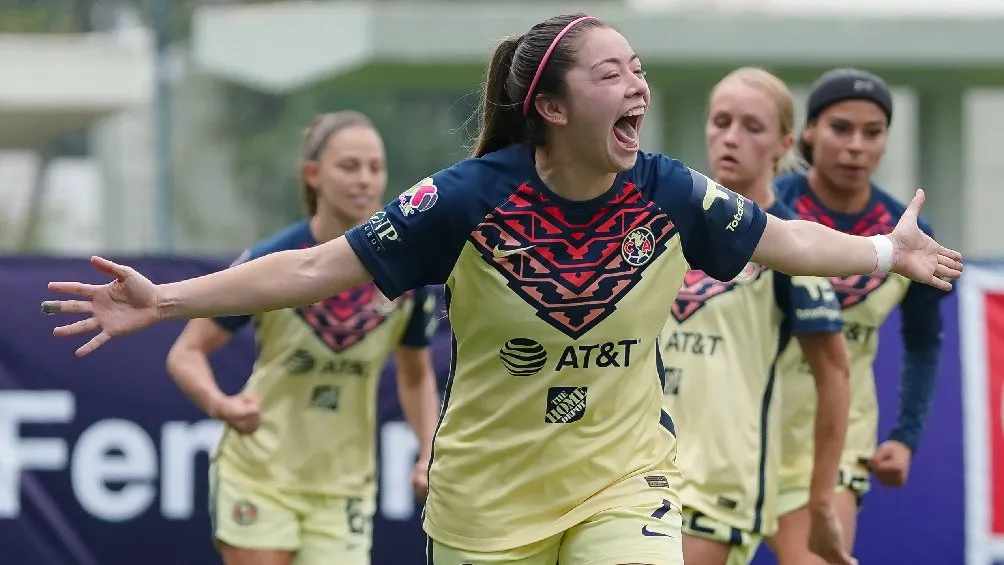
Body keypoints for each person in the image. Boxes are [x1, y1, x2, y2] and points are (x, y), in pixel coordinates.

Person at [42, 14, 961, 565]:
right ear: (552, 109)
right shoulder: (466, 198)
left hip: (625, 478)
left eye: (637, 68)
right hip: (486, 500)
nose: (637, 82)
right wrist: (165, 300)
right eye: (612, 73)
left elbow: (786, 238)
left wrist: (884, 252)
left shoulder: (669, 190)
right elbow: (315, 267)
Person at [164, 111, 442, 565]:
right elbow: (186, 353)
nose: (365, 180)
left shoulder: (405, 275)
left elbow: (415, 378)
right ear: (313, 175)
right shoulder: (272, 260)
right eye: (349, 166)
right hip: (260, 474)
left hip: (344, 488)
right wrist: (223, 405)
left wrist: (428, 450)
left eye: (375, 168)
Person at [661, 67, 852, 565]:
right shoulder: (663, 229)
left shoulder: (794, 248)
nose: (730, 138)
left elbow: (835, 374)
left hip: (717, 487)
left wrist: (821, 500)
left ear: (783, 143)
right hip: (635, 472)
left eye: (752, 127)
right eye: (720, 121)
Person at [765, 69, 952, 565]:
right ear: (807, 132)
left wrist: (906, 437)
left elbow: (923, 344)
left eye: (873, 133)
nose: (856, 146)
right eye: (840, 128)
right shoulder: (765, 210)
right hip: (743, 429)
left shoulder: (910, 234)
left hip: (837, 444)